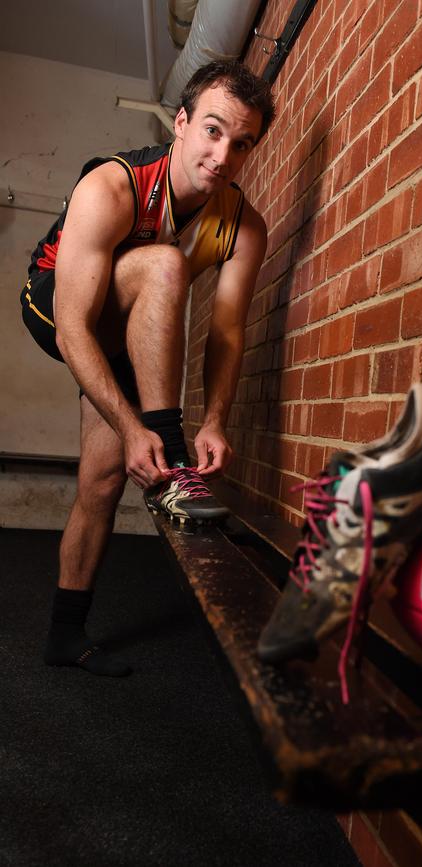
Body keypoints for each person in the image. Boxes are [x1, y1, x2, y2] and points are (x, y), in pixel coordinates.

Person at [19, 60, 275, 677]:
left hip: (133, 333)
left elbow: (226, 330)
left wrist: (218, 419)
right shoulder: (113, 185)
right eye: (212, 131)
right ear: (181, 123)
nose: (222, 155)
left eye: (241, 144)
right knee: (164, 265)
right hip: (58, 306)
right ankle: (172, 453)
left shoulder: (243, 225)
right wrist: (145, 429)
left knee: (103, 482)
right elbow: (75, 326)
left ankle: (64, 632)